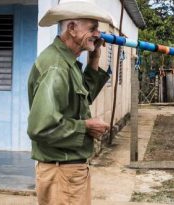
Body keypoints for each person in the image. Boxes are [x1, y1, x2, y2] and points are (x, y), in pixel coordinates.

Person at [27, 1, 113, 204]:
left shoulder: (67, 62)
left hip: (67, 170)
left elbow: (83, 96)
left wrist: (94, 58)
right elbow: (40, 127)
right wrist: (86, 126)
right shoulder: (56, 67)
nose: (98, 34)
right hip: (61, 172)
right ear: (72, 29)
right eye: (92, 28)